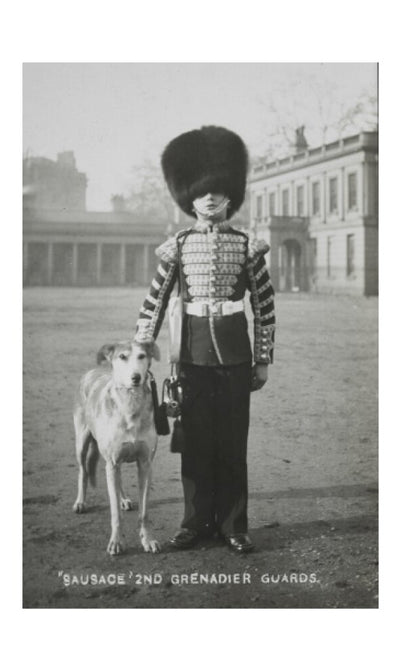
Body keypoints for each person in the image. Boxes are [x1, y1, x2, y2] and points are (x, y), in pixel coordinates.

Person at [135, 125, 275, 553]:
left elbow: (265, 307)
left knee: (233, 443)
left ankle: (234, 524)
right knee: (194, 444)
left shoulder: (247, 246)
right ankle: (194, 522)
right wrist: (142, 347)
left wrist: (262, 358)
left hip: (234, 357)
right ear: (188, 199)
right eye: (201, 191)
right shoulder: (177, 245)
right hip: (191, 358)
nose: (210, 198)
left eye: (218, 190)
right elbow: (155, 300)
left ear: (231, 196)